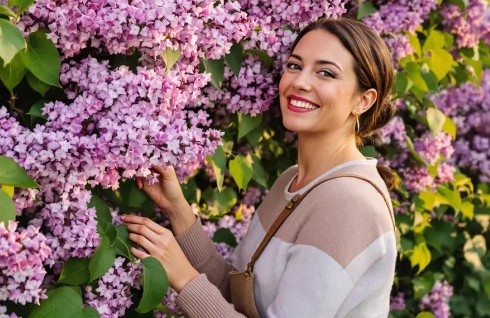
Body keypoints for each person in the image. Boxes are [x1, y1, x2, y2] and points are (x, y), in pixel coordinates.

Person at [121, 17, 398, 317]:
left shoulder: (347, 205)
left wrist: (182, 276)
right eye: (295, 65)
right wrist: (178, 211)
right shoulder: (291, 181)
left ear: (363, 100)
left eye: (326, 73)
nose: (300, 82)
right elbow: (240, 297)